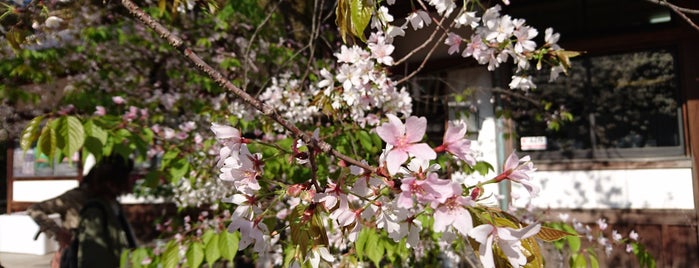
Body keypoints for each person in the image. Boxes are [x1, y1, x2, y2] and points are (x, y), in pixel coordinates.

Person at [27, 161, 97, 267]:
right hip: (74, 257)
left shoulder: (108, 202)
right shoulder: (74, 197)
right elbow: (34, 209)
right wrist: (57, 231)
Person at [72, 154, 138, 268]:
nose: (133, 180)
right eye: (129, 176)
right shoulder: (95, 211)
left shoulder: (114, 206)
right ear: (111, 182)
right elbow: (94, 256)